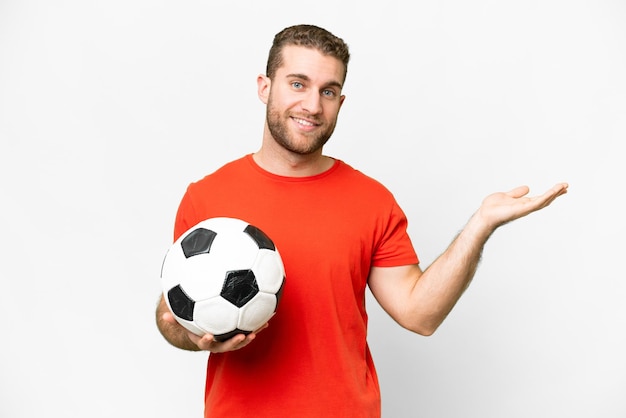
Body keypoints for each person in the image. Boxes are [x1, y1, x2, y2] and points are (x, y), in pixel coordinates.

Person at [156, 24, 568, 418]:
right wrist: (190, 336)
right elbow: (171, 313)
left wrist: (479, 226)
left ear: (340, 101)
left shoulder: (371, 200)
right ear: (265, 87)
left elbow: (420, 315)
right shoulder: (207, 197)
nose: (312, 105)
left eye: (328, 91)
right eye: (297, 83)